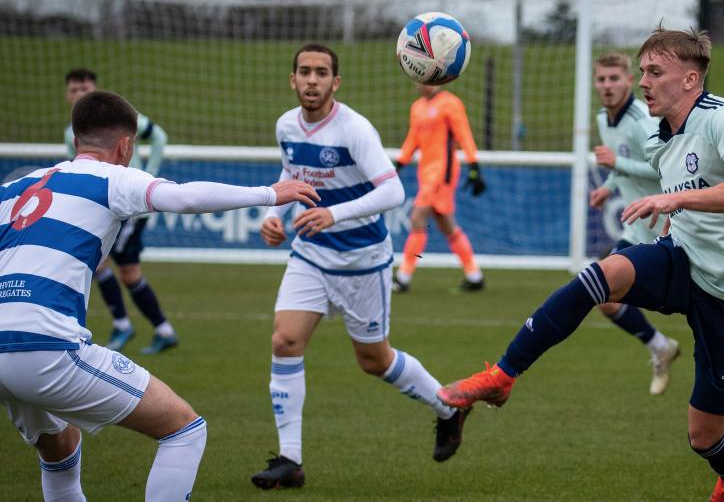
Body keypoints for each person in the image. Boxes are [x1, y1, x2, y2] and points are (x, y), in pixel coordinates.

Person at [438, 26, 724, 502]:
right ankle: (502, 377)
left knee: (704, 437)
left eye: (654, 72)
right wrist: (671, 211)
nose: (643, 82)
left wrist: (673, 199)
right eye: (642, 71)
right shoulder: (662, 136)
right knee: (599, 278)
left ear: (690, 79)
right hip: (684, 259)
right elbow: (686, 189)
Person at [0, 90, 319, 501]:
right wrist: (270, 193)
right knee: (184, 429)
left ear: (75, 138)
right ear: (125, 145)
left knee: (61, 448)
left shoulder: (17, 188)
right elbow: (184, 197)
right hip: (45, 348)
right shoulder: (113, 177)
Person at [250, 44, 470, 490]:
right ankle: (290, 460)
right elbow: (290, 173)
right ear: (293, 80)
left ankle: (449, 407)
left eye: (321, 73)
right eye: (305, 72)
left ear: (336, 83)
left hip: (361, 261)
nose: (312, 80)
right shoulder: (286, 125)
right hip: (311, 254)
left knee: (374, 360)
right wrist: (272, 215)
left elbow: (392, 192)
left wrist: (334, 214)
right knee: (285, 340)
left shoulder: (354, 129)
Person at [63, 68, 177, 355]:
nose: (80, 94)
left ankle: (151, 328)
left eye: (85, 89)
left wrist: (149, 174)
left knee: (125, 271)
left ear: (95, 90)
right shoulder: (70, 133)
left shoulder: (119, 119)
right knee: (103, 265)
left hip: (129, 206)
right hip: (104, 205)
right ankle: (135, 326)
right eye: (74, 90)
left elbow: (159, 136)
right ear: (67, 95)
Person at [589, 52, 680, 395]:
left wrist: (617, 164)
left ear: (629, 81)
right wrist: (608, 186)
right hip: (637, 229)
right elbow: (626, 163)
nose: (607, 85)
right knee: (605, 296)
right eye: (602, 79)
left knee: (701, 311)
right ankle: (661, 347)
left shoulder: (643, 121)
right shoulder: (603, 118)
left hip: (671, 228)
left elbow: (661, 168)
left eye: (615, 78)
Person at [392, 83, 486, 293]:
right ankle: (474, 275)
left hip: (442, 173)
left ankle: (403, 276)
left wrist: (474, 165)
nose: (425, 83)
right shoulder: (417, 107)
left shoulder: (450, 103)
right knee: (446, 224)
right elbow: (413, 139)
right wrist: (399, 164)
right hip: (426, 174)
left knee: (417, 218)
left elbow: (463, 134)